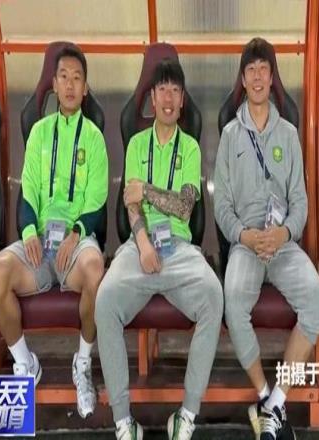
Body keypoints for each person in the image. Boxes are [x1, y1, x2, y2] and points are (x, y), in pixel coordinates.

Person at [95, 58, 223, 440]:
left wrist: (148, 191)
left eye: (175, 91)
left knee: (213, 297)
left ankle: (186, 415)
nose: (168, 98)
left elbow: (184, 206)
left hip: (180, 248)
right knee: (105, 302)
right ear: (152, 98)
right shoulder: (137, 144)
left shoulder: (191, 147)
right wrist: (144, 244)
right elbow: (130, 205)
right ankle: (123, 421)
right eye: (162, 90)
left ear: (182, 100)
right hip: (139, 247)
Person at [214, 37, 319, 440]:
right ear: (243, 80)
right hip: (246, 245)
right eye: (252, 70)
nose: (259, 77)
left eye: (265, 69)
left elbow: (301, 202)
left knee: (317, 302)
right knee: (233, 303)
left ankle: (277, 401)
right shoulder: (230, 135)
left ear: (272, 77)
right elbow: (221, 205)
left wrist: (283, 233)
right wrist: (245, 236)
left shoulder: (289, 133)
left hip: (282, 244)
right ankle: (264, 393)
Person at [0, 43, 108, 419]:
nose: (70, 85)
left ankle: (82, 363)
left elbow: (97, 201)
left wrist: (76, 232)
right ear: (53, 84)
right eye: (63, 77)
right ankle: (25, 363)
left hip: (76, 243)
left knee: (96, 272)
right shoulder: (39, 133)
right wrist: (27, 232)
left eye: (77, 78)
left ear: (85, 88)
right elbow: (28, 192)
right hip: (39, 242)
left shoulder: (94, 138)